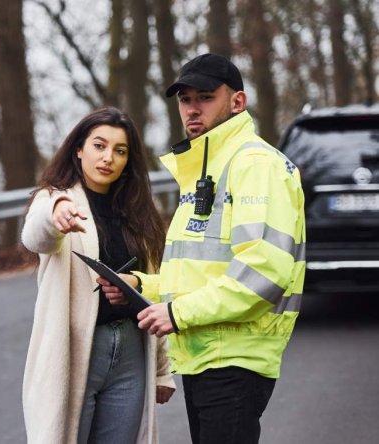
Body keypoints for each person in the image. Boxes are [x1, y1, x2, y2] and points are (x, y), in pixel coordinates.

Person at [103, 53, 306, 444]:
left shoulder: (254, 164)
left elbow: (263, 274)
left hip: (235, 358)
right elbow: (198, 271)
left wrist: (176, 314)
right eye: (185, 99)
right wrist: (141, 287)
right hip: (205, 355)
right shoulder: (206, 168)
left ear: (237, 102)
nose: (192, 109)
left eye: (205, 97)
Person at [21, 106, 176, 444]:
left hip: (131, 353)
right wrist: (56, 212)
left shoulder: (139, 215)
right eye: (99, 145)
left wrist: (163, 369)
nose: (108, 158)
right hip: (76, 352)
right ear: (79, 149)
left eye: (120, 151)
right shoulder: (55, 200)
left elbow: (154, 292)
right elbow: (35, 235)